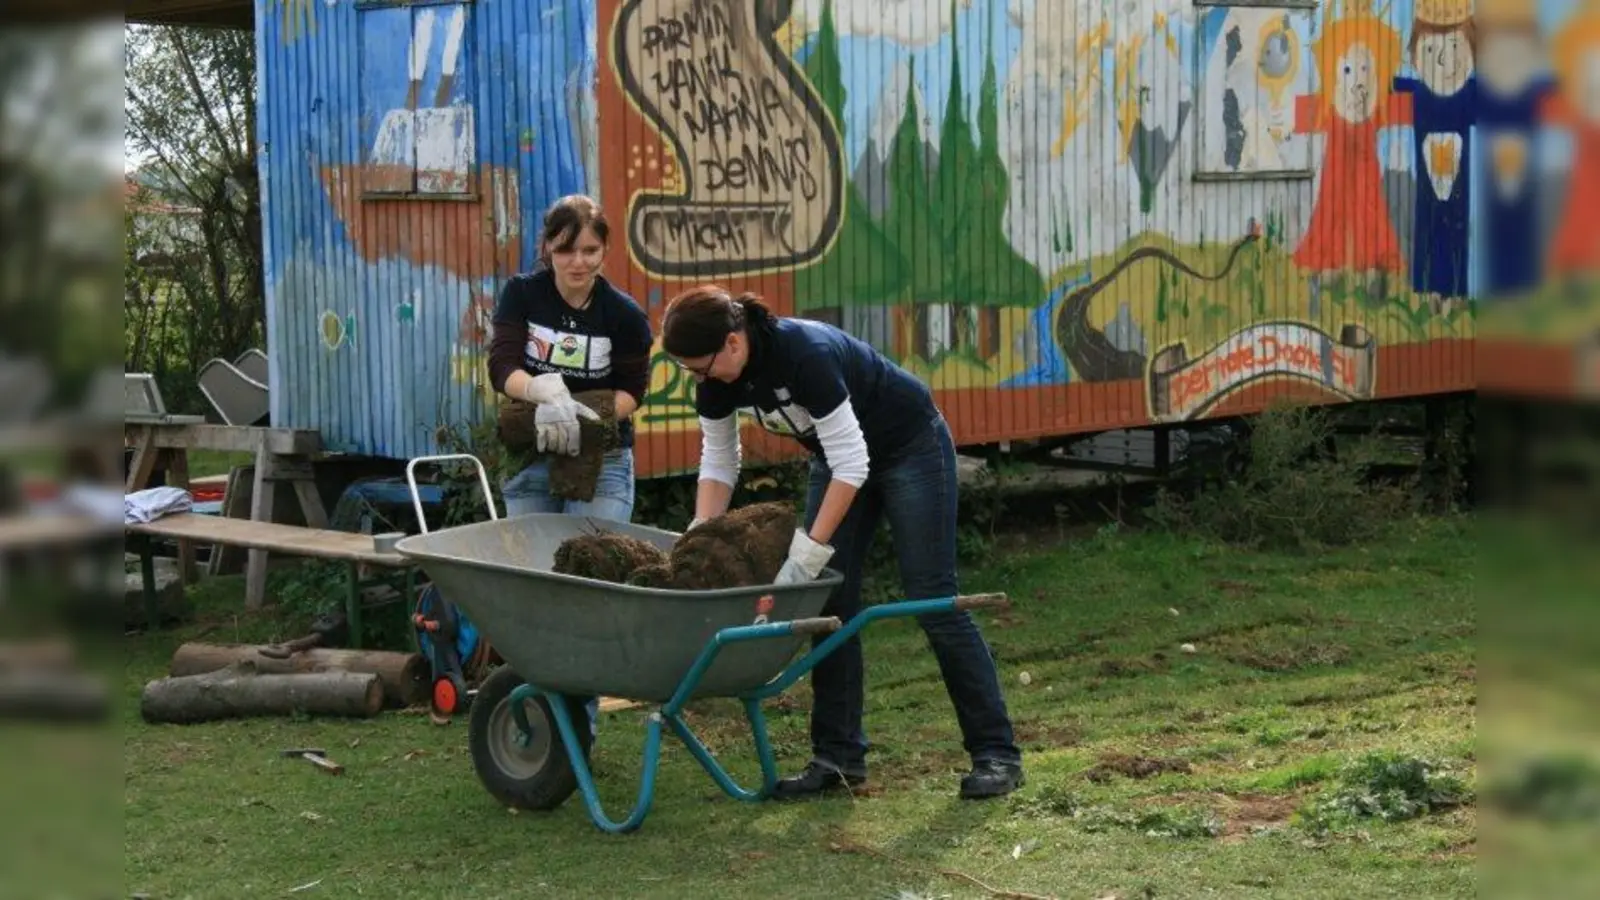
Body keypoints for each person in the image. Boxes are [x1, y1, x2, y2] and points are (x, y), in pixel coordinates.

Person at [660, 285, 1024, 800]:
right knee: (830, 604)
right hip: (838, 461)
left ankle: (996, 754)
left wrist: (807, 553)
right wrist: (700, 535)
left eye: (701, 367)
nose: (699, 379)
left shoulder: (804, 354)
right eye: (689, 371)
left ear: (734, 342)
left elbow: (855, 462)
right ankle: (837, 759)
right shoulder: (715, 380)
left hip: (909, 447)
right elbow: (720, 462)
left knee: (932, 597)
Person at [487, 194, 653, 739]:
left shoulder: (624, 314)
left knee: (588, 587)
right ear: (548, 248)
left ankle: (577, 731)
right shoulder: (522, 294)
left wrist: (587, 418)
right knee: (536, 594)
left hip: (602, 458)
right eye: (566, 249)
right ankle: (541, 723)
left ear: (605, 250)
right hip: (531, 453)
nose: (578, 262)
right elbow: (502, 366)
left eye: (589, 249)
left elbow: (633, 390)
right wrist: (539, 389)